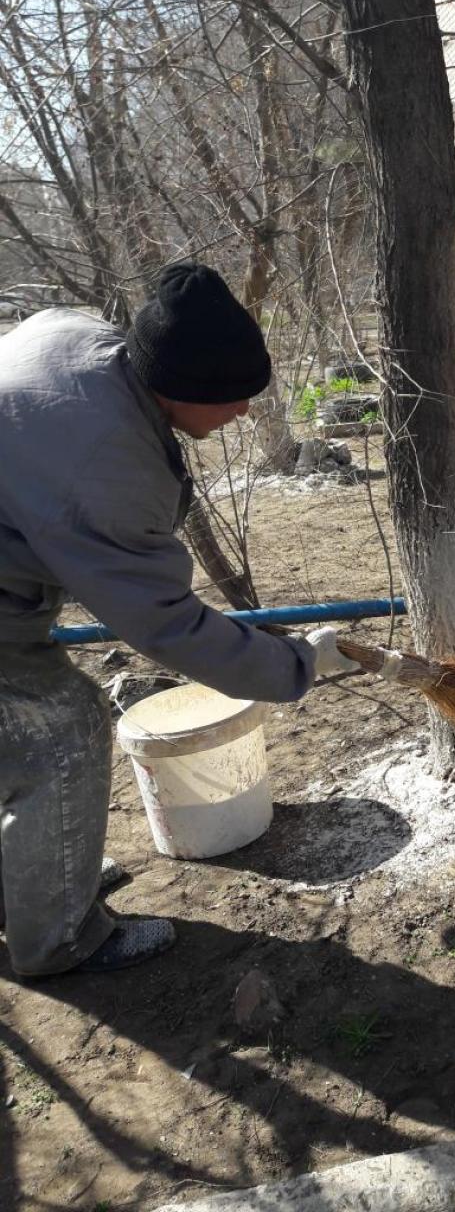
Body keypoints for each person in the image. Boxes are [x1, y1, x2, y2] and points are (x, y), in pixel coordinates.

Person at [0, 262, 355, 977]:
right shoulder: (105, 465)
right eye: (232, 399)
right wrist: (298, 663)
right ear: (180, 389)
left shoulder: (79, 339)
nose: (243, 413)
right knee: (63, 731)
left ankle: (33, 884)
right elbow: (166, 625)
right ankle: (60, 939)